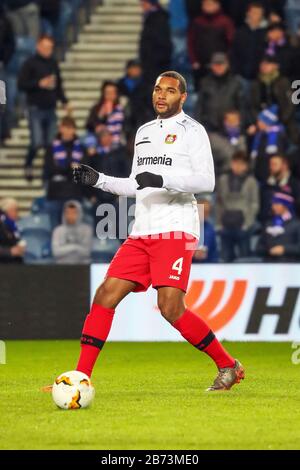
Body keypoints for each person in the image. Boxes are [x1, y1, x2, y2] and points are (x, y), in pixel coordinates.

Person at [67, 71, 245, 392]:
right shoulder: (145, 131)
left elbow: (207, 182)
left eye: (170, 91)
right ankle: (80, 378)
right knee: (105, 296)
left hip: (175, 229)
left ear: (183, 97)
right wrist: (100, 180)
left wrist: (163, 180)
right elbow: (137, 183)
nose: (161, 95)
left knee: (170, 308)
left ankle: (228, 365)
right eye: (157, 89)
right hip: (142, 231)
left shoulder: (193, 131)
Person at [18, 35, 70, 180]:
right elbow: (21, 84)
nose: (48, 50)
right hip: (35, 108)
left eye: (50, 47)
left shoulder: (53, 63)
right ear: (38, 46)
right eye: (45, 47)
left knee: (50, 144)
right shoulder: (30, 63)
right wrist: (38, 83)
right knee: (36, 142)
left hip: (50, 108)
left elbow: (58, 85)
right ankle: (28, 164)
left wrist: (64, 101)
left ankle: (46, 172)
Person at [216, 151, 259, 261]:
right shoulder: (223, 180)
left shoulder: (251, 182)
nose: (238, 166)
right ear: (231, 163)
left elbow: (254, 204)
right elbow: (219, 203)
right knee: (225, 258)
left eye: (241, 163)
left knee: (244, 258)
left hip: (243, 226)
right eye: (235, 163)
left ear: (246, 166)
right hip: (226, 225)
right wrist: (219, 224)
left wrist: (247, 224)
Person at [44, 116, 85, 227]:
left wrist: (62, 169)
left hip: (74, 193)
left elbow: (82, 171)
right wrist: (70, 167)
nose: (67, 131)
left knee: (75, 230)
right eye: (65, 127)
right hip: (55, 194)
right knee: (55, 229)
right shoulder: (51, 147)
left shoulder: (81, 147)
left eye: (70, 128)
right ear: (60, 128)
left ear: (74, 130)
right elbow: (49, 169)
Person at [249, 54, 298, 143]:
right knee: (250, 132)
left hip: (283, 121)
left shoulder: (284, 82)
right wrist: (259, 121)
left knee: (293, 132)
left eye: (267, 64)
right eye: (262, 64)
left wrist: (279, 121)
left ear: (275, 66)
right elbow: (252, 106)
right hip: (262, 122)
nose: (264, 66)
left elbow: (291, 105)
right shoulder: (255, 84)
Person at [195, 52, 244, 133]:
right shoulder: (205, 82)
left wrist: (239, 122)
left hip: (231, 128)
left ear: (227, 65)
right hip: (209, 128)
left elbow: (242, 107)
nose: (218, 67)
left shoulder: (236, 83)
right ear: (211, 66)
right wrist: (198, 127)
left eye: (221, 64)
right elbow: (199, 107)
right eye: (215, 64)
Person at [188, 0, 235, 84]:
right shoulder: (197, 21)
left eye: (210, 4)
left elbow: (232, 43)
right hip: (200, 65)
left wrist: (227, 61)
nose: (207, 6)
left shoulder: (225, 21)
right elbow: (191, 42)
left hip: (220, 65)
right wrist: (194, 61)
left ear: (218, 5)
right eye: (205, 4)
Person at [231, 2, 268, 87]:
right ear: (248, 13)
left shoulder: (266, 33)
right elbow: (233, 53)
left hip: (260, 77)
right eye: (254, 12)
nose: (256, 15)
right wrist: (235, 72)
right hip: (240, 76)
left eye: (259, 13)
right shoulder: (240, 32)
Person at [256, 192, 300, 261]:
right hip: (269, 265)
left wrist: (284, 249)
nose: (273, 207)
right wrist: (269, 250)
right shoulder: (268, 223)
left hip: (290, 265)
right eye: (273, 204)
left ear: (286, 206)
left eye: (277, 204)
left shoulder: (296, 224)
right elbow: (259, 247)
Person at [249, 105, 287, 183]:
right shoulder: (260, 134)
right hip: (259, 171)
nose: (257, 123)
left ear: (267, 122)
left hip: (268, 174)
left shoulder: (276, 136)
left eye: (260, 121)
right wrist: (250, 136)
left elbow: (275, 156)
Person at [139, 0, 172, 86]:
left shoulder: (158, 19)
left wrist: (152, 59)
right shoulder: (151, 17)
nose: (142, 7)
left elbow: (161, 41)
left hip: (156, 63)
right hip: (151, 62)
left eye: (144, 4)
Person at [260, 154, 300, 222]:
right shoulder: (265, 185)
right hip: (266, 223)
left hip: (288, 224)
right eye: (270, 164)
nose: (271, 167)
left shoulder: (295, 185)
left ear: (284, 166)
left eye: (274, 164)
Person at [52, 200, 93, 264]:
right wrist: (75, 247)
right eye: (68, 213)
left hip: (82, 266)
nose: (70, 216)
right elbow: (56, 252)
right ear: (64, 214)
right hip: (62, 266)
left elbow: (86, 252)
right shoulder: (58, 230)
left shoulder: (87, 230)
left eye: (74, 213)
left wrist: (66, 249)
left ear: (79, 213)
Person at [85, 81, 124, 147]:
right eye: (108, 93)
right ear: (103, 94)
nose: (110, 95)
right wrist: (100, 117)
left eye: (112, 93)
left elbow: (126, 126)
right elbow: (89, 125)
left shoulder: (122, 108)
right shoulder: (97, 107)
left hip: (117, 140)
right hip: (100, 140)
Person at [209, 109, 247, 175]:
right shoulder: (214, 138)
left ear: (239, 122)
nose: (232, 123)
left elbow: (244, 158)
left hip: (241, 176)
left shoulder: (243, 138)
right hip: (220, 175)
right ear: (224, 122)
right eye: (229, 121)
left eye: (234, 121)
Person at [193, 197, 219, 263]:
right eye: (203, 212)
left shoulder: (209, 228)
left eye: (207, 212)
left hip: (208, 265)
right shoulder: (185, 227)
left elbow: (207, 246)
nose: (205, 215)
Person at [0, 198, 25, 264]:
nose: (17, 214)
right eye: (15, 210)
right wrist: (9, 251)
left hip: (15, 264)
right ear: (8, 211)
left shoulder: (14, 226)